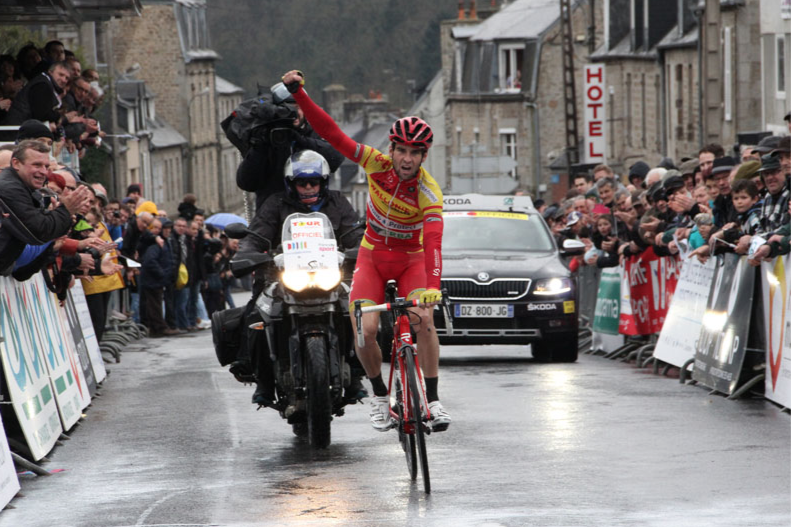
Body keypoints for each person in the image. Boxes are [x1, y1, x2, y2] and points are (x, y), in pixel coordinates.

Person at [282, 69, 451, 432]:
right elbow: (332, 134)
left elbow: (434, 242)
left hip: (412, 262)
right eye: (401, 150)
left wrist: (433, 285)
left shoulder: (428, 192)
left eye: (414, 153)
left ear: (424, 156)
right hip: (373, 257)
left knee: (423, 320)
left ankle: (433, 401)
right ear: (391, 149)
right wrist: (300, 95)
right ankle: (378, 395)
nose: (406, 159)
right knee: (365, 328)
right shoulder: (375, 164)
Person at [234, 149, 364, 405]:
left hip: (331, 275)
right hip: (283, 277)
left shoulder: (338, 203)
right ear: (290, 183)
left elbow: (354, 234)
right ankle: (264, 381)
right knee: (257, 315)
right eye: (301, 182)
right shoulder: (275, 204)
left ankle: (356, 372)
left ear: (323, 182)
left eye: (313, 182)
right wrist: (248, 254)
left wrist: (360, 250)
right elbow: (256, 235)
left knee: (357, 311)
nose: (307, 187)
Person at [235, 83, 344, 211]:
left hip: (314, 213)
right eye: (288, 109)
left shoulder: (314, 131)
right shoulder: (267, 136)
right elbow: (247, 182)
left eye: (299, 108)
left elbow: (336, 158)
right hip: (272, 216)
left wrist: (300, 139)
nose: (294, 113)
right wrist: (260, 146)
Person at [0, 140, 91, 274]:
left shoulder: (30, 191)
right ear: (16, 163)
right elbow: (37, 232)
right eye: (37, 165)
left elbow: (25, 270)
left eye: (46, 166)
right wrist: (64, 211)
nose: (43, 172)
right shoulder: (9, 188)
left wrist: (56, 217)